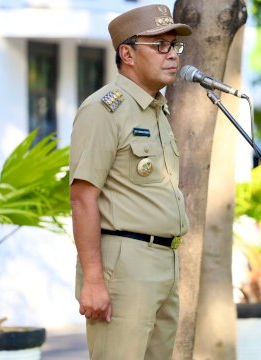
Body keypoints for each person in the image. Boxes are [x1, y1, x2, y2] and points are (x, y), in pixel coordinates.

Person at [69, 4, 192, 359]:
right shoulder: (104, 110)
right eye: (160, 46)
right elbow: (82, 198)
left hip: (165, 260)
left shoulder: (157, 111)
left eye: (175, 46)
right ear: (127, 53)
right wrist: (93, 280)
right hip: (125, 262)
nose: (172, 56)